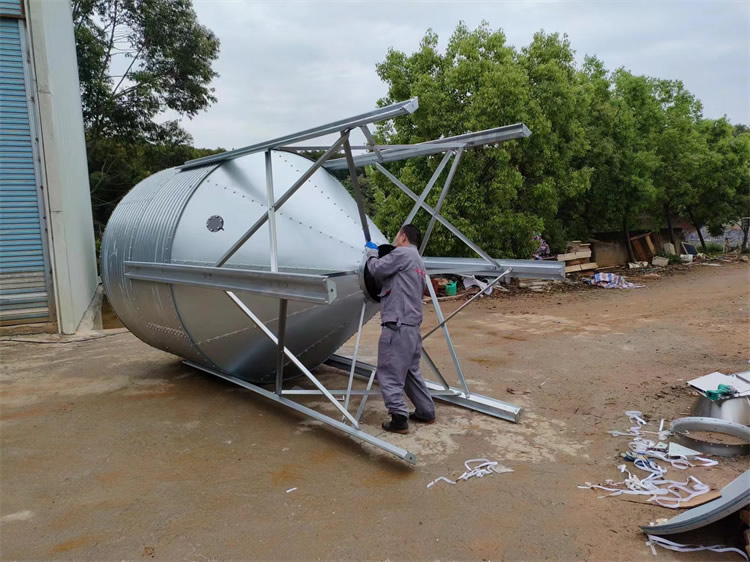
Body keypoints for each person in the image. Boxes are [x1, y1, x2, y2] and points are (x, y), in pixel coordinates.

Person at [365, 224, 436, 433]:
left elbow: (376, 269)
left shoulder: (402, 254)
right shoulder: (419, 262)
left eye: (397, 237)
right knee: (411, 373)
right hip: (412, 327)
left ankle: (399, 419)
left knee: (389, 372)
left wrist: (371, 253)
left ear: (404, 237)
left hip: (397, 325)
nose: (395, 241)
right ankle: (426, 411)